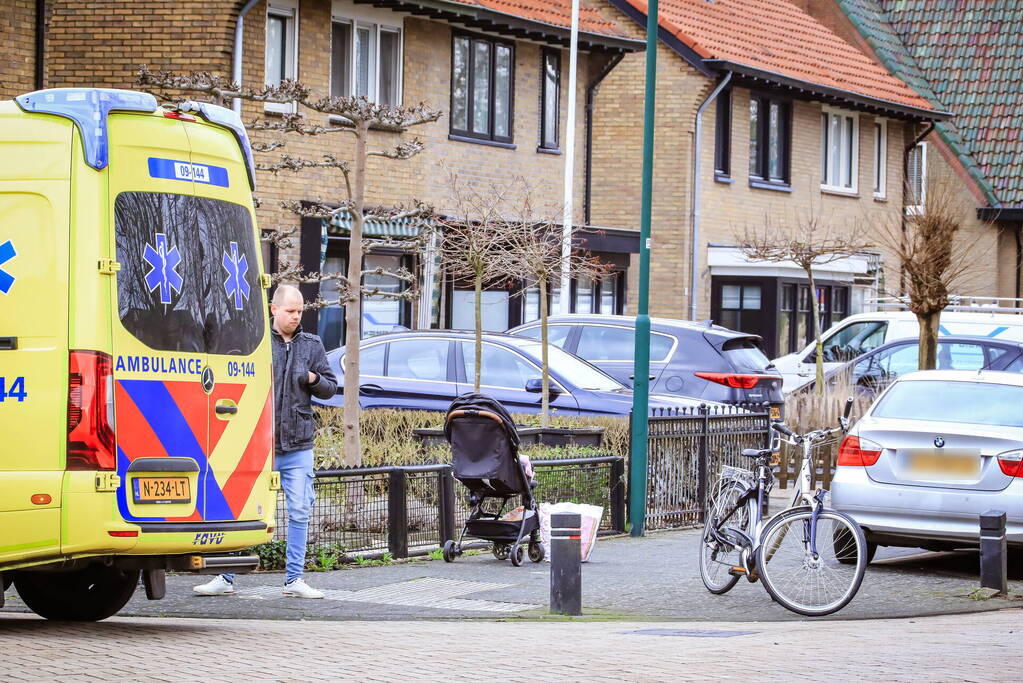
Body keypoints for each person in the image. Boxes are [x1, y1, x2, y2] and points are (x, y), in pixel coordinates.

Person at [194, 284, 338, 599]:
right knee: (246, 509)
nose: (296, 317)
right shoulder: (256, 343)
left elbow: (330, 387)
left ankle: (294, 580)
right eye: (290, 311)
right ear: (274, 309)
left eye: (300, 311)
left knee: (300, 510)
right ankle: (225, 577)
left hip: (298, 443)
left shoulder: (311, 345)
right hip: (258, 443)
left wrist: (314, 380)